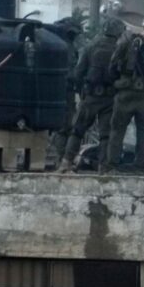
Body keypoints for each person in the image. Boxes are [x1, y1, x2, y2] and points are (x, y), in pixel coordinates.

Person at [57, 18, 127, 172]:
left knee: (77, 131)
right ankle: (103, 167)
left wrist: (81, 89)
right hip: (109, 98)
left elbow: (78, 72)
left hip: (90, 97)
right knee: (105, 135)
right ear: (118, 32)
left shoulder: (91, 47)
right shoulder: (120, 49)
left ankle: (66, 163)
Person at [104, 11, 144, 172]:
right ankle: (140, 166)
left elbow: (112, 65)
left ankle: (111, 165)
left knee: (117, 131)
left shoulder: (127, 41)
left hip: (125, 93)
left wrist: (117, 82)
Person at [48, 17, 83, 163]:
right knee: (64, 126)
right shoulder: (66, 47)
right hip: (64, 91)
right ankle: (58, 158)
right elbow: (70, 72)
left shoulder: (59, 44)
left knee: (64, 125)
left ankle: (59, 157)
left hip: (60, 90)